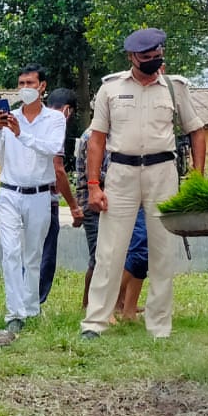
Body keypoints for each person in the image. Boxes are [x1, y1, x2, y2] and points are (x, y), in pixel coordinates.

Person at [81, 27, 205, 340]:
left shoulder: (175, 88)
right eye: (145, 57)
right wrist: (94, 185)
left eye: (156, 55)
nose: (152, 60)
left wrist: (198, 175)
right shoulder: (111, 88)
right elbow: (96, 140)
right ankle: (95, 322)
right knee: (110, 250)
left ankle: (159, 326)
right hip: (121, 173)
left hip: (162, 172)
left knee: (162, 250)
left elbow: (197, 131)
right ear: (132, 57)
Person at [0, 64, 65, 345]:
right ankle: (14, 312)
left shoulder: (54, 119)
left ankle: (31, 308)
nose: (25, 88)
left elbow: (52, 148)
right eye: (21, 83)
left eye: (30, 83)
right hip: (9, 191)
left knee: (33, 255)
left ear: (42, 86)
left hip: (40, 194)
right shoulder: (9, 118)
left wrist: (22, 134)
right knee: (11, 252)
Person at [75, 129, 150, 320]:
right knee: (103, 257)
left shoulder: (124, 134)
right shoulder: (90, 137)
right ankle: (95, 304)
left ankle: (122, 306)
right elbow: (102, 174)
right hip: (97, 204)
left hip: (126, 200)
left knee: (133, 251)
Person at [37, 88, 85, 307]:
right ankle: (35, 302)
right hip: (45, 199)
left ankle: (23, 303)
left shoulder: (33, 120)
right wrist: (74, 206)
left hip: (21, 196)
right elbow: (58, 170)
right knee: (46, 255)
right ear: (67, 110)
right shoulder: (56, 124)